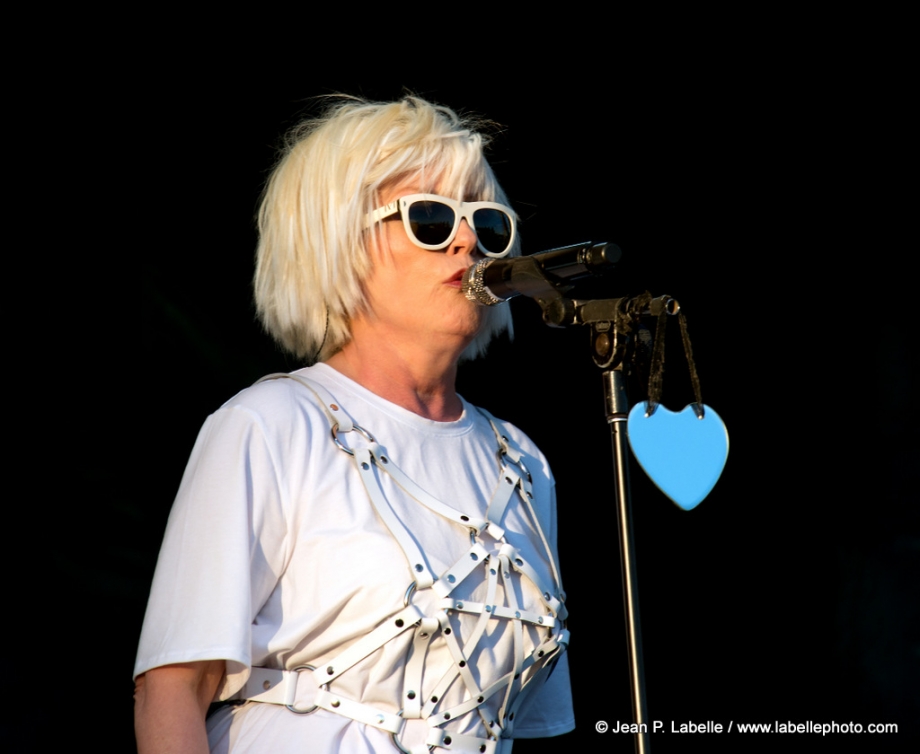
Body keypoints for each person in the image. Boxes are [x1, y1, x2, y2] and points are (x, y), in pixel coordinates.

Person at [134, 96, 574, 754]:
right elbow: (171, 689)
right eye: (429, 218)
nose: (468, 241)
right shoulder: (269, 426)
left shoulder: (521, 461)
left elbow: (525, 723)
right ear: (341, 242)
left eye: (487, 222)